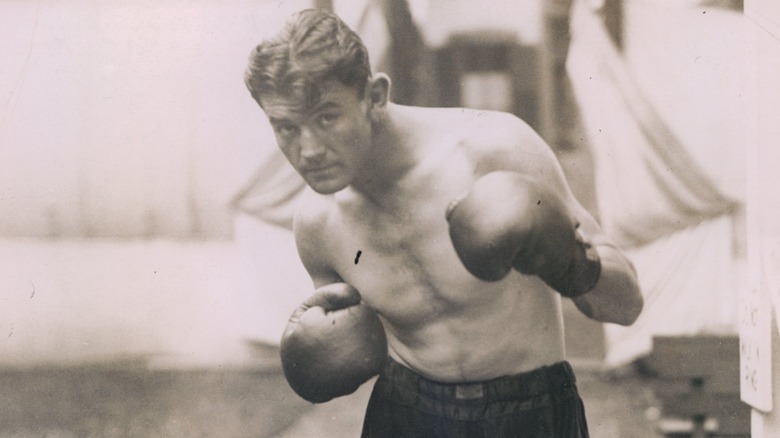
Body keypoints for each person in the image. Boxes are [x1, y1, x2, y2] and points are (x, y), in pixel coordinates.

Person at [244, 9, 643, 437]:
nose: (307, 151)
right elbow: (351, 346)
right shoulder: (317, 222)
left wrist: (572, 262)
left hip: (530, 411)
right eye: (286, 127)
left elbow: (626, 305)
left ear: (374, 96)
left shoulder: (492, 149)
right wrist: (318, 356)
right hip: (404, 411)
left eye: (326, 117)